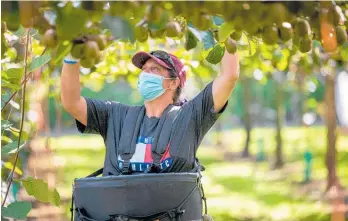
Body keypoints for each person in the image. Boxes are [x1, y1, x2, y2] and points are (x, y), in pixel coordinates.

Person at [61, 47, 239, 176]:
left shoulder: (189, 117)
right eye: (144, 70)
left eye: (154, 69)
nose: (146, 75)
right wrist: (72, 55)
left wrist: (227, 31)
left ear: (173, 82)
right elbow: (72, 103)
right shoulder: (115, 116)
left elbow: (229, 76)